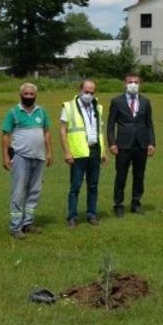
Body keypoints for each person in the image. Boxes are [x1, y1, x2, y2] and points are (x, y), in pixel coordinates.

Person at [1, 82, 52, 239]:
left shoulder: (42, 112)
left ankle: (28, 223)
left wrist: (49, 152)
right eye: (26, 94)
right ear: (20, 95)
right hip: (21, 157)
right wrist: (5, 156)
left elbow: (47, 132)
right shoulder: (13, 113)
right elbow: (5, 136)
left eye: (31, 94)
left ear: (36, 95)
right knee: (18, 191)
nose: (29, 97)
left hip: (39, 157)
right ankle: (16, 227)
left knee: (35, 191)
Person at [59, 79, 107, 227]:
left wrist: (103, 151)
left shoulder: (97, 107)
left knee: (93, 185)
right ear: (80, 90)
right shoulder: (69, 106)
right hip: (78, 152)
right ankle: (72, 217)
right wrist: (67, 152)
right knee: (75, 186)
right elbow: (63, 130)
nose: (89, 95)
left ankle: (91, 214)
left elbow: (100, 130)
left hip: (94, 151)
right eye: (86, 92)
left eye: (92, 92)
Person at [107, 72, 155, 217]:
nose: (133, 84)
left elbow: (149, 124)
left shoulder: (146, 101)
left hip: (141, 144)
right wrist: (112, 143)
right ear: (125, 84)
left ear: (140, 84)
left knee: (139, 176)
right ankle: (118, 204)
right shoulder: (116, 101)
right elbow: (110, 125)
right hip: (123, 145)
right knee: (121, 176)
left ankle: (136, 203)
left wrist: (151, 143)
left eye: (136, 82)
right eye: (130, 82)